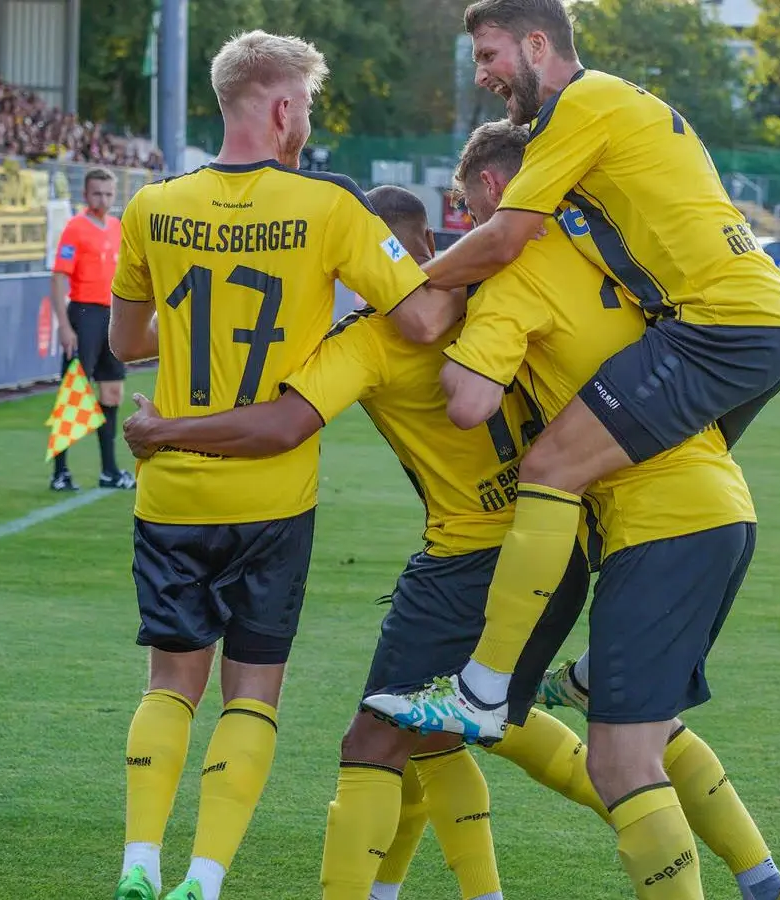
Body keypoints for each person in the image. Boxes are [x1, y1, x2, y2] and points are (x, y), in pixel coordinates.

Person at [121, 183, 780, 900]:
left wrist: (165, 430)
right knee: (559, 731)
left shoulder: (370, 338)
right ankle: (760, 878)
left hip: (470, 558)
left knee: (378, 740)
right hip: (562, 543)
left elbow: (282, 424)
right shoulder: (500, 285)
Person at [365, 0, 780, 746]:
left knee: (551, 466)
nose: (482, 75)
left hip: (717, 324)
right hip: (752, 320)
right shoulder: (608, 104)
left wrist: (402, 289)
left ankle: (481, 691)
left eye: (489, 55)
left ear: (537, 44)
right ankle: (609, 667)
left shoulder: (579, 104)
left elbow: (505, 237)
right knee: (658, 476)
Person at [381, 119, 780, 900]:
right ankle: (770, 887)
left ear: (495, 189)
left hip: (659, 527)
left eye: (471, 209)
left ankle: (483, 686)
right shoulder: (599, 246)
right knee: (645, 725)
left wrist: (454, 329)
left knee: (620, 762)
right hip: (718, 508)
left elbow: (468, 402)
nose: (472, 226)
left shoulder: (514, 273)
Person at [103, 31, 453, 900]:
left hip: (172, 489)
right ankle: (205, 876)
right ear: (286, 107)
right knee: (251, 695)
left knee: (169, 683)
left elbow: (127, 342)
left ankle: (139, 860)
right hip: (273, 494)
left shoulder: (152, 205)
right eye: (309, 107)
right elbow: (420, 321)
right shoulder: (329, 208)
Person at [48, 168, 133, 491]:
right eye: (97, 193)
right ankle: (60, 473)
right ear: (85, 195)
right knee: (74, 393)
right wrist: (64, 325)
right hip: (84, 315)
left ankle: (109, 471)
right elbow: (59, 277)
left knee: (112, 392)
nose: (104, 200)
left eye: (109, 194)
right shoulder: (75, 228)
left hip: (112, 316)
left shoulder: (117, 227)